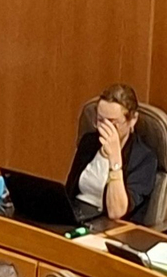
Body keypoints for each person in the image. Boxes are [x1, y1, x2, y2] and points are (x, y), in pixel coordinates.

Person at [64, 83, 159, 223]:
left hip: (110, 224)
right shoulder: (89, 142)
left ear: (132, 120)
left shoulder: (144, 159)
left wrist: (115, 159)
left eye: (112, 122)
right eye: (100, 120)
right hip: (77, 215)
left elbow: (116, 212)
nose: (104, 128)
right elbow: (69, 192)